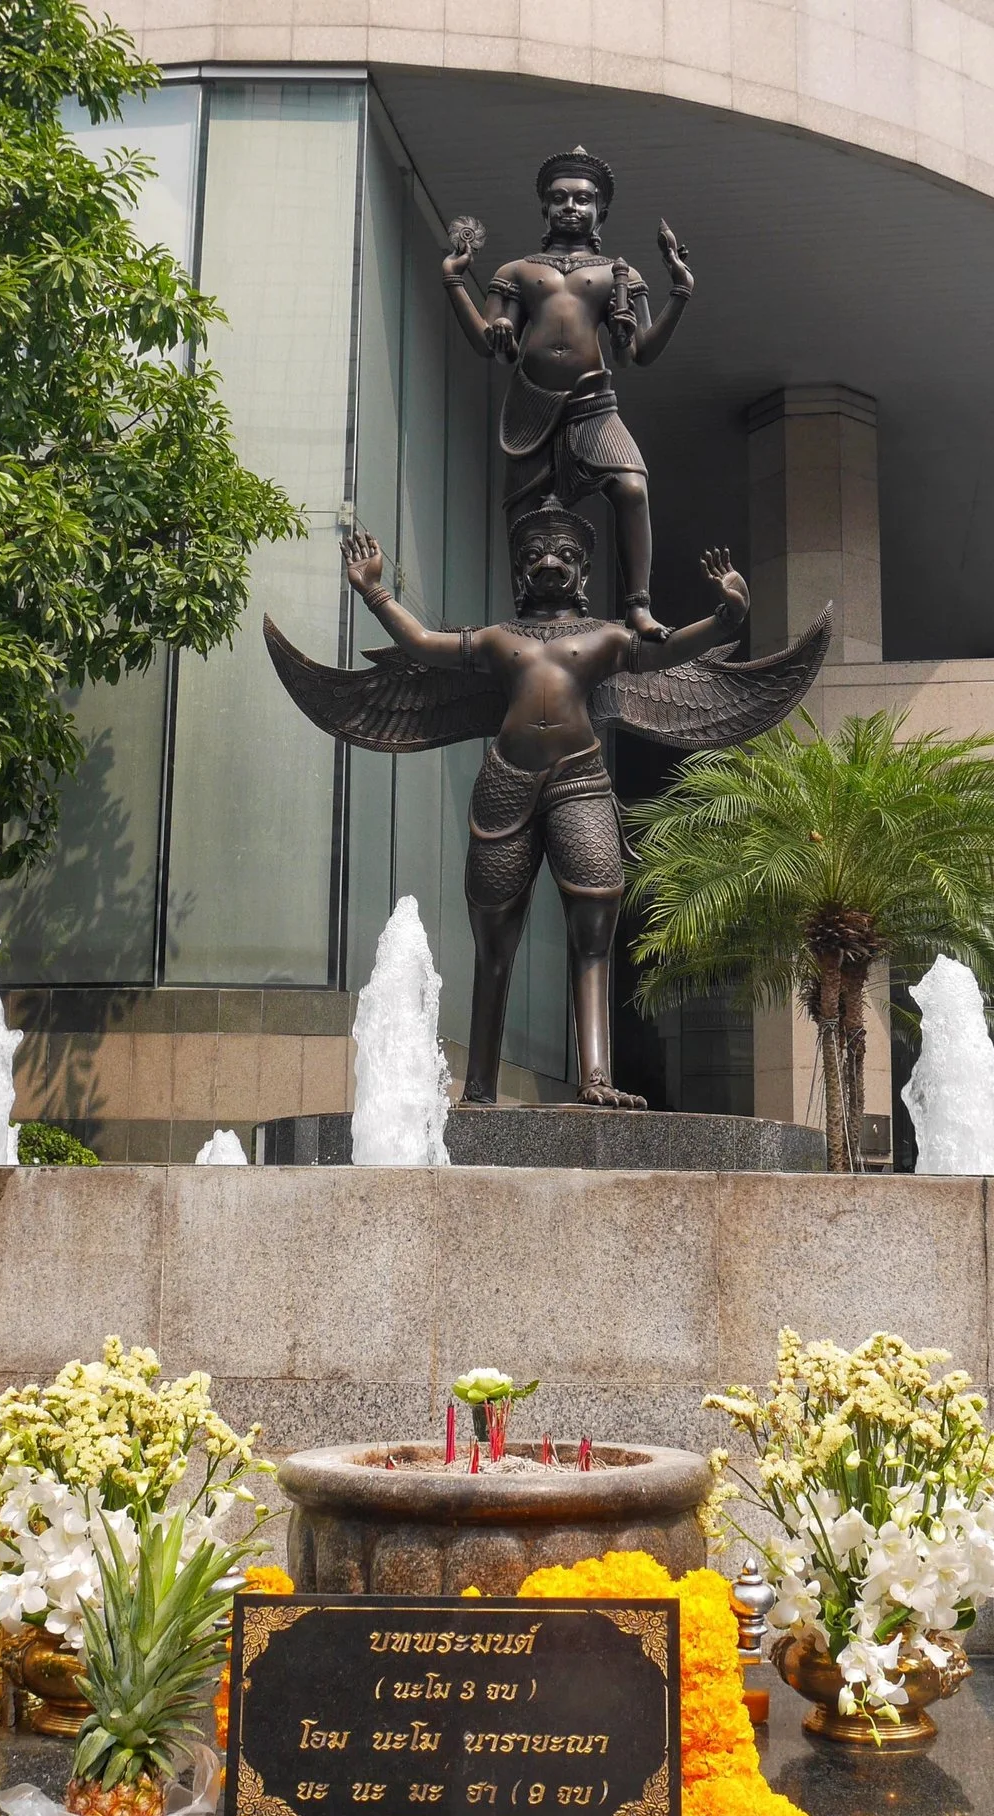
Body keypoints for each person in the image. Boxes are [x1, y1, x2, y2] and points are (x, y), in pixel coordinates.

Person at [341, 505, 746, 1106]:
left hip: (579, 782)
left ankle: (597, 1078)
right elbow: (424, 645)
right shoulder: (497, 640)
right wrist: (374, 592)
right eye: (534, 557)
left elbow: (667, 655)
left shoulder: (607, 637)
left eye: (562, 556)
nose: (549, 564)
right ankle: (478, 1084)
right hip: (505, 784)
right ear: (520, 571)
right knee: (494, 944)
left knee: (592, 933)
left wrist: (725, 616)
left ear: (582, 570)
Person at [441, 147, 693, 643]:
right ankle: (524, 608)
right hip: (531, 403)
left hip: (592, 403)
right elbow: (489, 343)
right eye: (558, 198)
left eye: (582, 199)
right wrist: (455, 281)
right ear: (544, 207)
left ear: (600, 209)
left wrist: (679, 294)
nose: (570, 207)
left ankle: (638, 606)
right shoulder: (517, 271)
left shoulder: (617, 274)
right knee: (524, 512)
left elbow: (636, 354)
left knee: (632, 489)